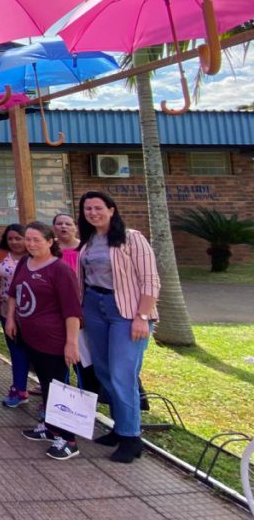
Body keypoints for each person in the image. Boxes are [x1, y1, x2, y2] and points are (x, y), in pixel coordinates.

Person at [77, 191, 160, 463]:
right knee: (103, 371)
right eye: (88, 209)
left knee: (123, 374)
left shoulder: (132, 238)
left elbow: (150, 281)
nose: (93, 213)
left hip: (125, 311)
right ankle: (119, 426)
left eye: (98, 207)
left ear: (111, 210)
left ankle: (131, 437)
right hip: (94, 305)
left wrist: (142, 317)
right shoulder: (90, 241)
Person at [6, 221, 83, 461]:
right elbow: (13, 293)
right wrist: (11, 319)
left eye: (36, 240)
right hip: (31, 337)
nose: (31, 244)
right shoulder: (24, 263)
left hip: (54, 339)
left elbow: (72, 310)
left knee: (58, 387)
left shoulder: (60, 270)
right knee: (45, 384)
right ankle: (51, 427)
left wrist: (72, 343)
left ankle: (69, 439)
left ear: (50, 242)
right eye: (28, 239)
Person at [0, 223, 31, 409]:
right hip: (6, 309)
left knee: (36, 353)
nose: (14, 242)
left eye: (18, 238)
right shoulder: (1, 255)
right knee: (16, 350)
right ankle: (19, 388)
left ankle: (49, 396)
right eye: (10, 239)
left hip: (31, 312)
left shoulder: (35, 255)